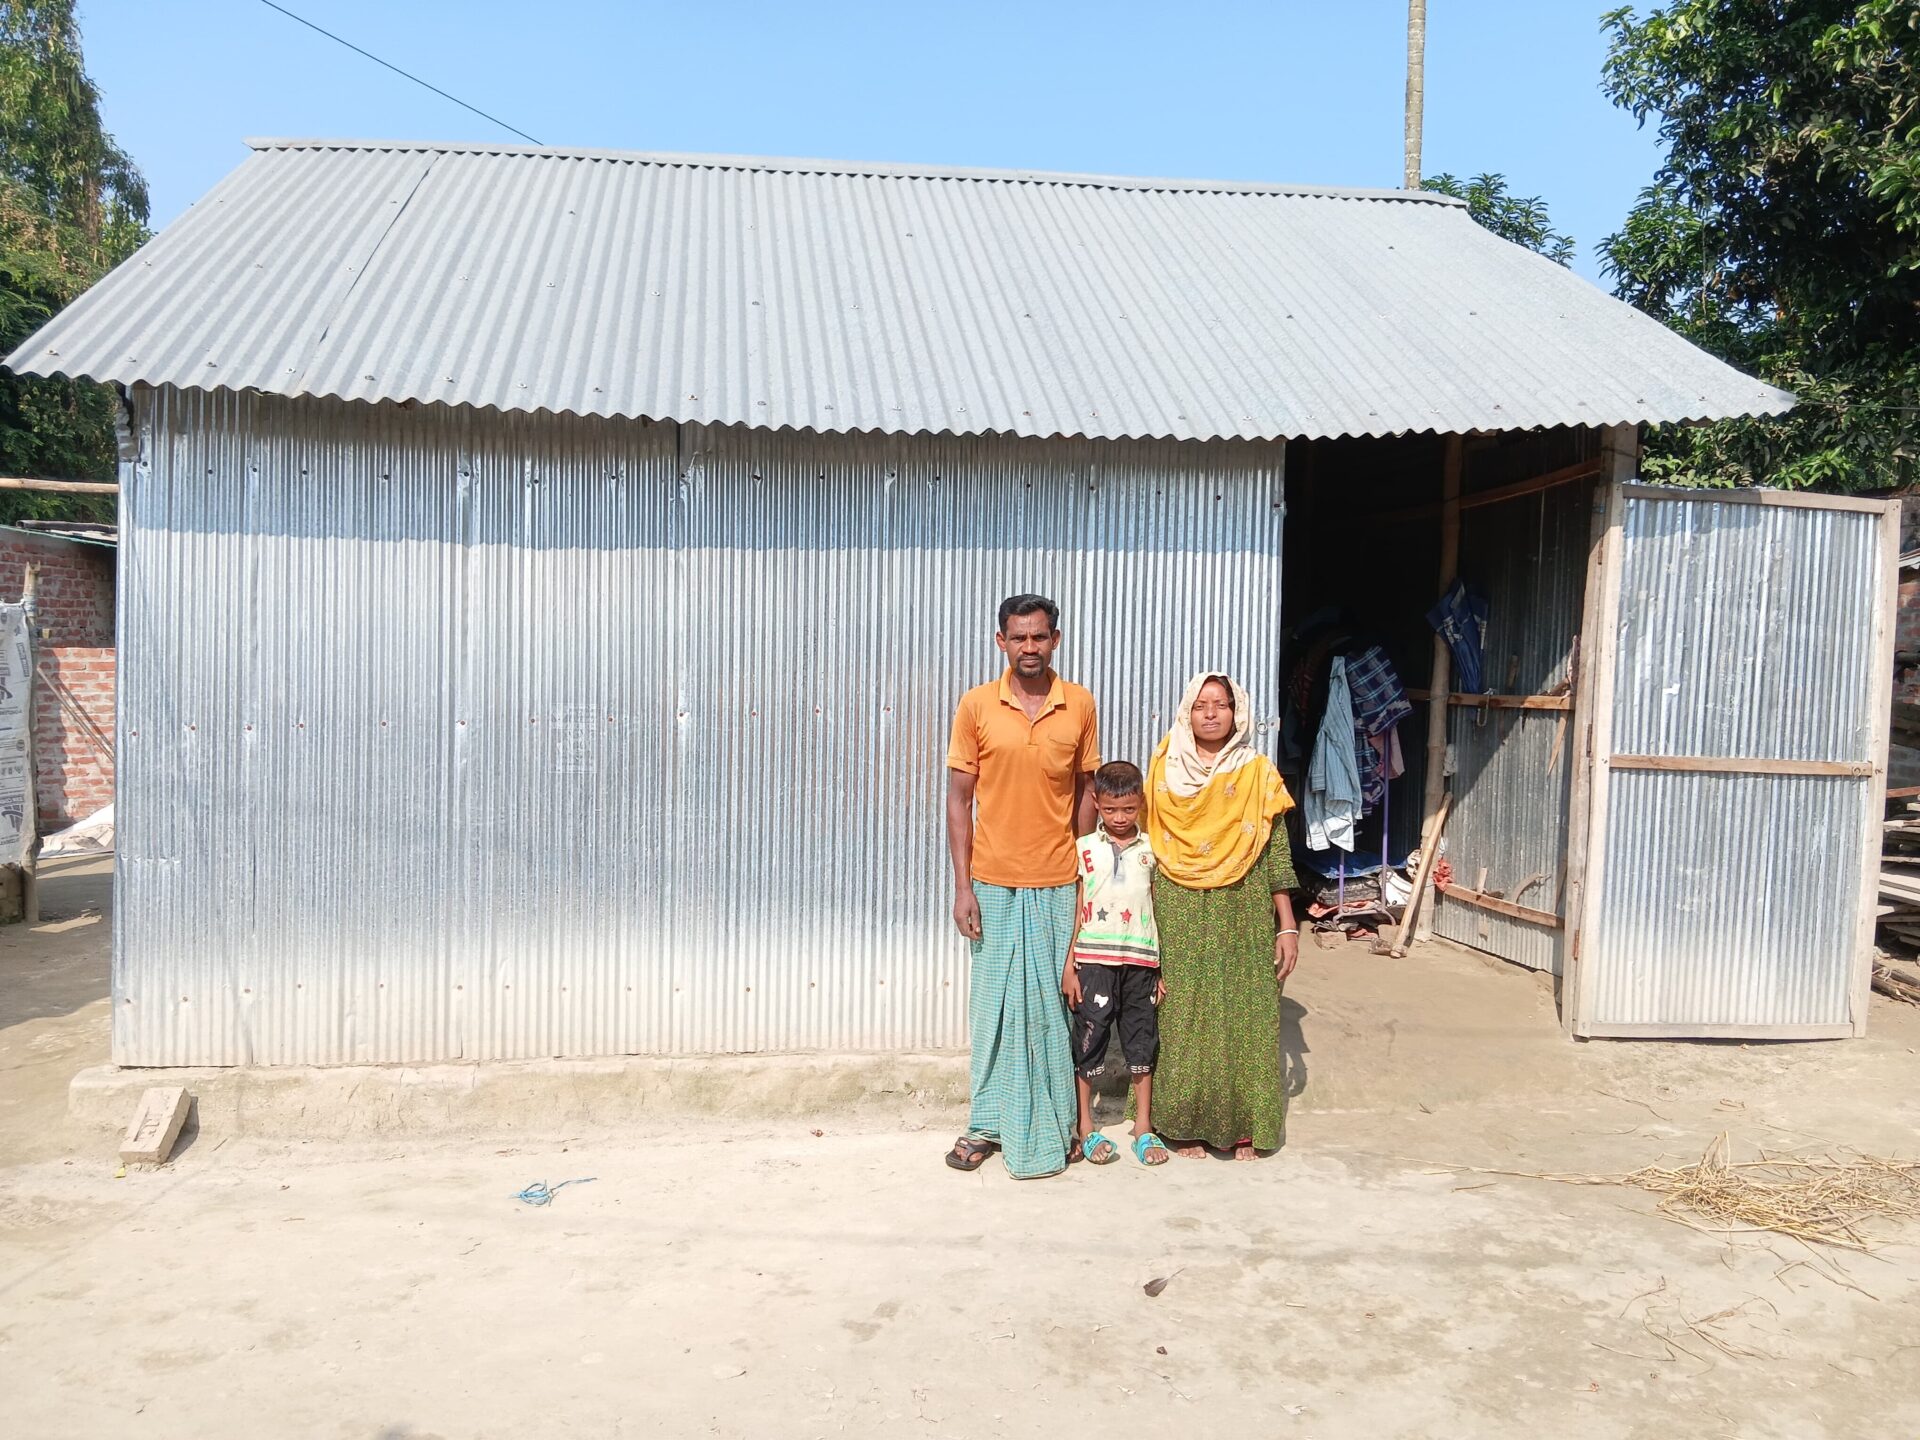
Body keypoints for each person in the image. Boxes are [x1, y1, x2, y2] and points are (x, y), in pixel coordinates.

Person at [944, 594, 1100, 1178]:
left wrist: (1086, 873)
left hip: (1058, 880)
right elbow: (959, 800)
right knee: (994, 1012)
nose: (1029, 647)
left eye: (1039, 637)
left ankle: (1056, 1123)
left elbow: (1087, 793)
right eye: (1018, 637)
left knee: (1051, 1010)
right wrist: (963, 887)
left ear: (1055, 640)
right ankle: (986, 1123)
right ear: (1001, 641)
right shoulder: (977, 705)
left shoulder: (1079, 703)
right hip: (992, 883)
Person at [1145, 672, 1300, 1161]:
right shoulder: (1164, 767)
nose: (1211, 713)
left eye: (1221, 704)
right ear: (1186, 713)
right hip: (1178, 903)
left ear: (1238, 713)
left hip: (1244, 904)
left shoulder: (1257, 771)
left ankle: (1244, 1126)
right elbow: (1146, 845)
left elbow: (1275, 851)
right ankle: (1181, 1124)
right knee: (1182, 1010)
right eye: (1201, 705)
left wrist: (1287, 924)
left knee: (1246, 1009)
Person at [1060, 761, 1170, 1167]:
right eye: (1110, 809)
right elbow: (1076, 906)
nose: (1120, 818)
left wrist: (1160, 968)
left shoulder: (1152, 851)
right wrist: (1070, 965)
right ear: (1096, 803)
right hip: (1093, 962)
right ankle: (1086, 1126)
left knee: (1142, 1039)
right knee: (1090, 1039)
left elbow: (1157, 907)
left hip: (1140, 963)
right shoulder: (1084, 849)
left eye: (1128, 809)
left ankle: (1142, 1126)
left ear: (1140, 803)